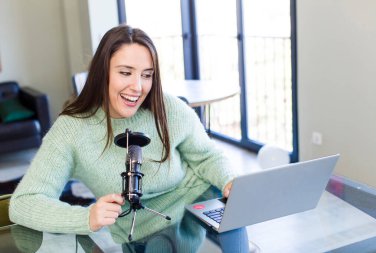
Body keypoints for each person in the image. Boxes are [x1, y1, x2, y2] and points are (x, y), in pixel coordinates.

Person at [9, 24, 236, 242]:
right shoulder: (73, 128)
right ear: (102, 73)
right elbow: (24, 203)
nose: (138, 87)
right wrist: (85, 217)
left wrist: (229, 181)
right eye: (126, 73)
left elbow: (207, 156)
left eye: (147, 75)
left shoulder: (168, 107)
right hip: (135, 235)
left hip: (197, 210)